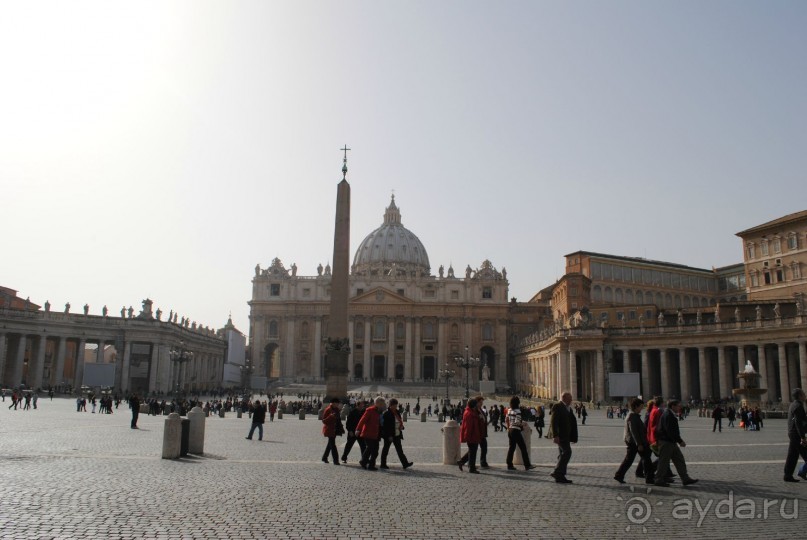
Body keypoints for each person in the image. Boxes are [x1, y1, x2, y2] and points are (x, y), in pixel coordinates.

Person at [654, 400, 698, 487]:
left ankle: (685, 478)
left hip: (671, 442)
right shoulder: (668, 415)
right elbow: (670, 431)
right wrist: (680, 441)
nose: (680, 407)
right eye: (678, 406)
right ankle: (658, 479)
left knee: (679, 459)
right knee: (664, 461)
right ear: (673, 406)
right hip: (666, 442)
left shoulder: (669, 414)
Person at [614, 398, 654, 484]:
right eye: (641, 407)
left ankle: (619, 475)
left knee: (635, 459)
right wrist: (639, 444)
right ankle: (649, 478)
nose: (642, 409)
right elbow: (634, 432)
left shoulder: (634, 415)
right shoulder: (632, 416)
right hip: (635, 442)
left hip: (635, 442)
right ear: (636, 406)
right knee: (644, 459)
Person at [550, 391, 578, 483]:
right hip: (561, 435)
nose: (571, 401)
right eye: (569, 399)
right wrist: (555, 435)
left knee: (562, 454)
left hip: (566, 435)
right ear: (564, 398)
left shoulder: (568, 408)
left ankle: (560, 476)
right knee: (567, 452)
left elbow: (571, 422)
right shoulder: (557, 406)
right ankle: (557, 471)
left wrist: (573, 437)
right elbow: (554, 422)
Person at [505, 396, 536, 471]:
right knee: (523, 448)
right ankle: (527, 465)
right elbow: (517, 422)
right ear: (518, 403)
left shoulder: (509, 410)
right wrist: (523, 424)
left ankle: (509, 464)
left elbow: (506, 420)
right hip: (516, 430)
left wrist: (509, 428)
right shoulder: (518, 411)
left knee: (511, 448)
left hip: (510, 430)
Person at [380, 398, 413, 469]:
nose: (396, 407)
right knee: (386, 449)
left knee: (400, 450)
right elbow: (385, 426)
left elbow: (399, 421)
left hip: (397, 434)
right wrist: (389, 436)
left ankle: (405, 463)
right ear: (390, 405)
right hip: (389, 435)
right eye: (394, 405)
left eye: (396, 405)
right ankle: (383, 464)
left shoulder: (397, 412)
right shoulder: (386, 413)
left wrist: (402, 427)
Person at [784, 388, 807, 482]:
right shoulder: (798, 406)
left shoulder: (793, 405)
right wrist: (802, 437)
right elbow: (798, 423)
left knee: (792, 455)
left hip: (792, 433)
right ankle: (800, 472)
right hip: (796, 434)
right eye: (803, 394)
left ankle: (787, 475)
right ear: (800, 396)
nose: (805, 395)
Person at [356, 397, 385, 470]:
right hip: (368, 433)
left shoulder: (380, 411)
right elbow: (362, 420)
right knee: (370, 448)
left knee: (375, 451)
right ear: (377, 403)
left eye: (383, 404)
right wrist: (358, 429)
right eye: (381, 404)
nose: (382, 405)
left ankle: (369, 464)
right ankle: (364, 462)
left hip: (376, 434)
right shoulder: (370, 410)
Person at [459, 399, 482, 474]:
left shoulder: (471, 412)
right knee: (473, 452)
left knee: (471, 451)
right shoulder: (469, 413)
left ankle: (461, 461)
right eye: (476, 405)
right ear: (473, 405)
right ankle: (472, 468)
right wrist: (467, 437)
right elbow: (468, 427)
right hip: (472, 436)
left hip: (474, 434)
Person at [321, 398, 343, 465]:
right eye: (337, 403)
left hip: (335, 429)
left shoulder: (336, 410)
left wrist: (341, 427)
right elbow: (324, 421)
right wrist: (330, 416)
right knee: (333, 445)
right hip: (329, 430)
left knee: (330, 444)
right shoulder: (328, 409)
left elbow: (338, 420)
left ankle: (324, 457)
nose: (338, 404)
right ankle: (335, 460)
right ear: (333, 403)